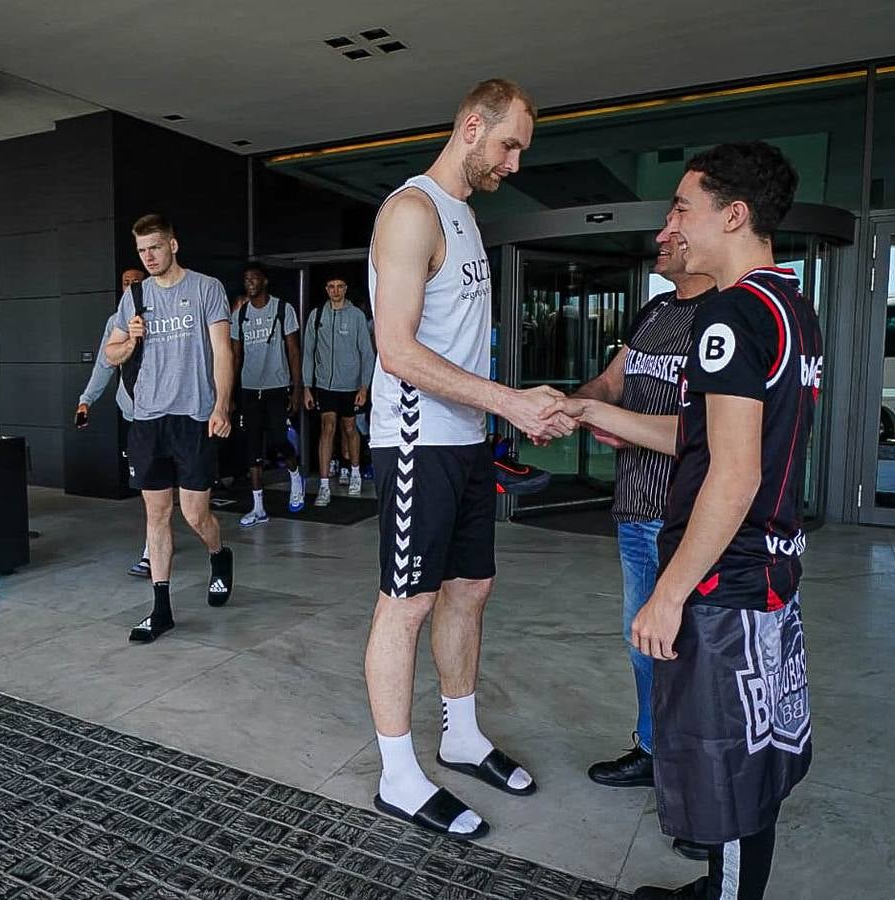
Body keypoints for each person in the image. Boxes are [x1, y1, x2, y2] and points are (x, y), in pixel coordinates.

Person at [558, 142, 820, 899]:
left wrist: (668, 594)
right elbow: (703, 440)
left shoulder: (732, 314)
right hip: (769, 570)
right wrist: (591, 408)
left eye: (683, 206)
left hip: (726, 580)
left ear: (732, 215)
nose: (671, 221)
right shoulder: (789, 308)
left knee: (726, 769)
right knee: (752, 749)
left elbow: (734, 474)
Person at [363, 79, 572, 840]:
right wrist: (508, 402)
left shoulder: (465, 216)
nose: (514, 162)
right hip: (417, 440)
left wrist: (503, 409)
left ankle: (460, 732)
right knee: (407, 601)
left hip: (465, 441)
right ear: (472, 125)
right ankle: (397, 774)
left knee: (470, 588)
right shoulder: (412, 211)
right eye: (510, 144)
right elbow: (396, 349)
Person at [575, 239, 716, 861]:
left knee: (691, 658)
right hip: (635, 512)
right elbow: (610, 382)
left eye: (677, 219)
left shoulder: (725, 320)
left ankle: (700, 794)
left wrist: (614, 422)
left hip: (688, 521)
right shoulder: (653, 312)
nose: (662, 236)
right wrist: (574, 404)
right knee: (644, 647)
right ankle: (655, 752)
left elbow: (706, 435)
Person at [104, 214, 235, 643]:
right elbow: (110, 355)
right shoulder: (135, 295)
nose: (149, 257)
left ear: (173, 245)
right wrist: (131, 339)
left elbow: (221, 351)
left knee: (196, 514)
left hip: (194, 416)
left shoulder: (206, 288)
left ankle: (219, 555)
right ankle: (161, 609)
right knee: (156, 515)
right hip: (147, 419)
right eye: (142, 250)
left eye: (155, 248)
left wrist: (222, 404)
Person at [78, 268, 152, 577]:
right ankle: (153, 548)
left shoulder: (162, 314)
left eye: (137, 282)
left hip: (167, 413)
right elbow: (104, 365)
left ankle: (155, 548)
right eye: (126, 283)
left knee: (170, 490)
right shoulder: (115, 323)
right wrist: (86, 400)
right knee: (149, 484)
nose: (132, 287)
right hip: (134, 413)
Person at [230, 263, 305, 526]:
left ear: (264, 281)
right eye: (246, 279)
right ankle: (258, 507)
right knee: (252, 446)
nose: (249, 283)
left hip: (276, 386)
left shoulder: (283, 309)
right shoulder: (239, 315)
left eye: (254, 278)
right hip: (250, 389)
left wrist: (296, 389)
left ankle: (295, 475)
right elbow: (236, 356)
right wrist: (229, 393)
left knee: (278, 440)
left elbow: (294, 351)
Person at [302, 277, 375, 506]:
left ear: (345, 289)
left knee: (350, 428)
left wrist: (365, 386)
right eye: (331, 286)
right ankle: (324, 486)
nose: (335, 290)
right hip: (325, 384)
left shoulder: (356, 316)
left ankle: (355, 473)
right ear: (326, 289)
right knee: (327, 428)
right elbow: (308, 352)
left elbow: (366, 352)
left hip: (351, 384)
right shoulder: (317, 316)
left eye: (340, 286)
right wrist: (306, 386)